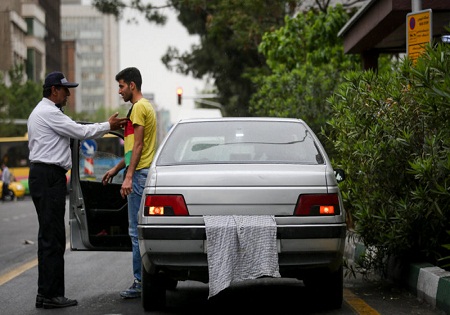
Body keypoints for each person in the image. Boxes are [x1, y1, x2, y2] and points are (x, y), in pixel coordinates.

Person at [28, 71, 127, 309]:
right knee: (53, 237)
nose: (68, 94)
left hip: (44, 176)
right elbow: (81, 132)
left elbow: (76, 128)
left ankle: (46, 293)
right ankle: (51, 295)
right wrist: (108, 125)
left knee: (48, 236)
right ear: (54, 91)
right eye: (65, 90)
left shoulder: (46, 112)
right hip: (48, 176)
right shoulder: (49, 113)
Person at [102, 67, 157, 299]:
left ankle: (140, 281)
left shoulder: (138, 109)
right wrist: (117, 168)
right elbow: (131, 147)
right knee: (139, 230)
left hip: (140, 174)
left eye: (122, 86)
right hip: (141, 171)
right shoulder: (143, 107)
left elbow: (138, 146)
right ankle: (144, 278)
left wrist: (129, 176)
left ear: (132, 85)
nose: (119, 91)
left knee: (135, 232)